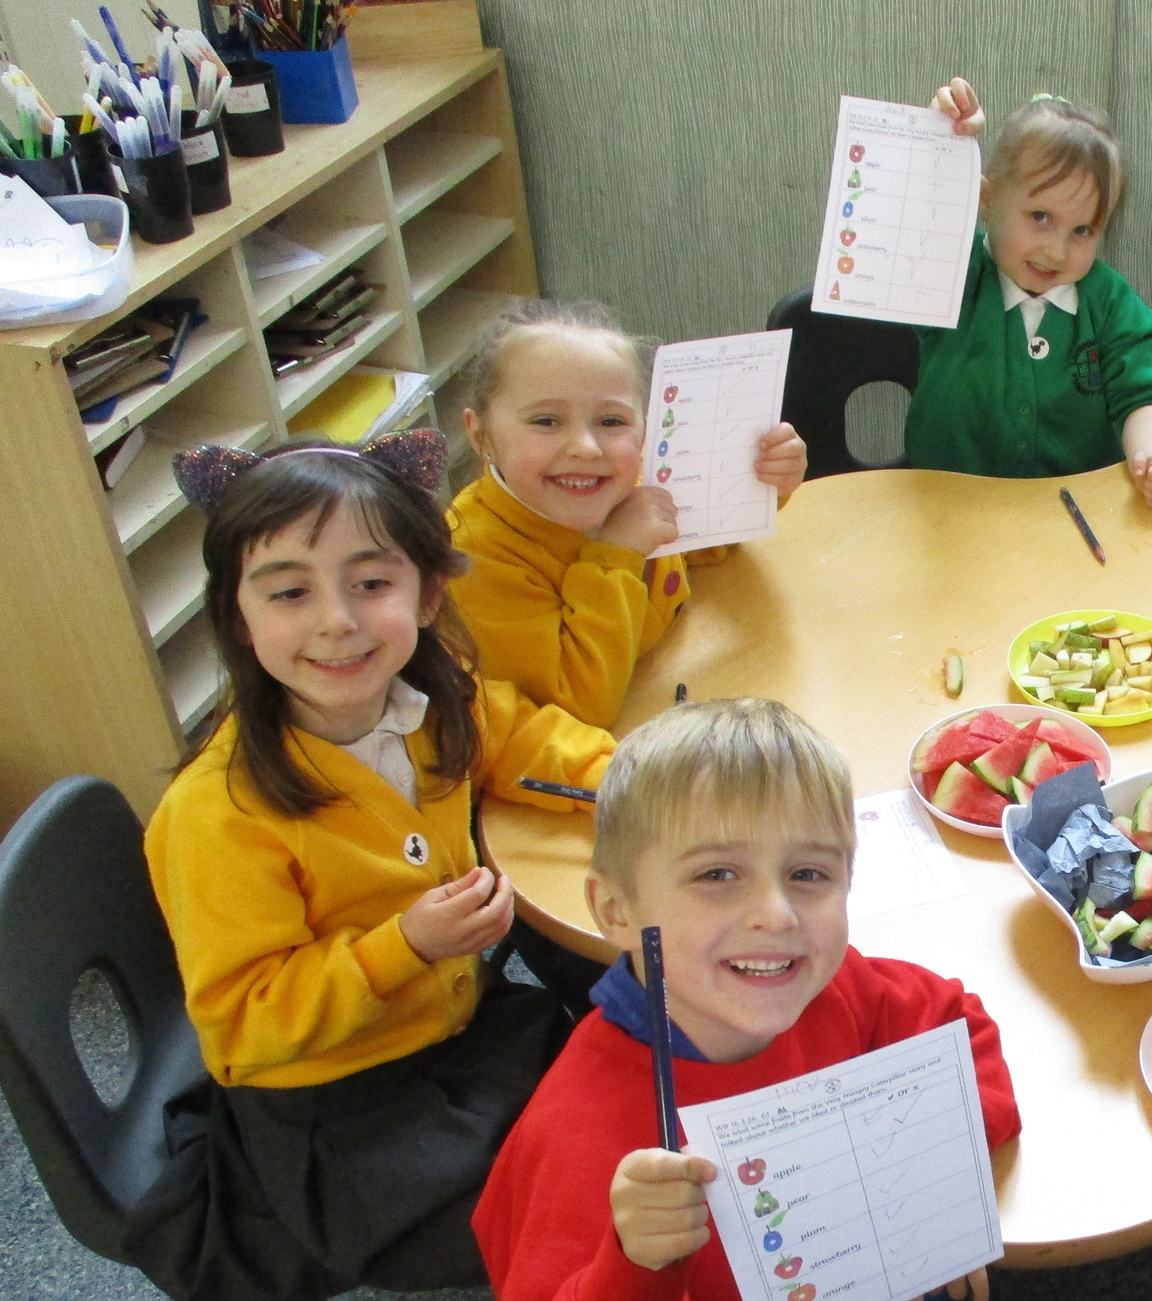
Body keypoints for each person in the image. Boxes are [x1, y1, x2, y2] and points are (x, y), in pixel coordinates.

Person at [126, 431, 618, 1301]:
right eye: (289, 592)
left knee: (619, 1105)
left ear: (427, 595)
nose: (337, 620)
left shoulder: (432, 701)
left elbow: (523, 735)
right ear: (238, 615)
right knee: (567, 1205)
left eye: (371, 582)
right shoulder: (217, 814)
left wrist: (626, 777)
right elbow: (242, 1027)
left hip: (454, 1033)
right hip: (343, 1108)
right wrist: (406, 947)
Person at [472, 697, 1022, 1301]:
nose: (775, 914)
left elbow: (956, 1027)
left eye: (808, 874)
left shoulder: (833, 989)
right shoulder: (573, 1135)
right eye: (717, 875)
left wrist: (931, 1184)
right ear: (616, 911)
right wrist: (633, 1264)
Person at [448, 299, 808, 729]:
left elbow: (704, 544)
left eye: (612, 422)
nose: (585, 447)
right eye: (546, 421)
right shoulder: (473, 556)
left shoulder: (627, 481)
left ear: (646, 426)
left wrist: (764, 479)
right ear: (480, 434)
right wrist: (616, 553)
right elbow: (576, 707)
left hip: (671, 693)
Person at [907, 76, 1152, 508]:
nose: (1057, 250)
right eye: (1039, 216)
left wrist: (1151, 458)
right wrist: (944, 138)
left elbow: (1142, 397)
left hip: (1074, 517)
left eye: (1083, 230)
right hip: (951, 514)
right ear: (986, 200)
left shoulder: (1108, 301)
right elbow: (915, 219)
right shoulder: (954, 272)